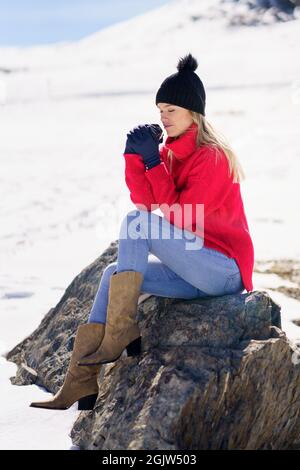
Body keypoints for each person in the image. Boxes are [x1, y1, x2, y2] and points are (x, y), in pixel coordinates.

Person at [30, 52, 254, 411]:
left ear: (193, 113)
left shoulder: (212, 157)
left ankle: (121, 331)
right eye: (160, 110)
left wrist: (152, 162)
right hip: (192, 272)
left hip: (222, 271)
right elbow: (149, 206)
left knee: (136, 226)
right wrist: (136, 160)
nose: (163, 118)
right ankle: (81, 381)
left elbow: (178, 218)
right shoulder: (170, 155)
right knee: (111, 274)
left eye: (171, 111)